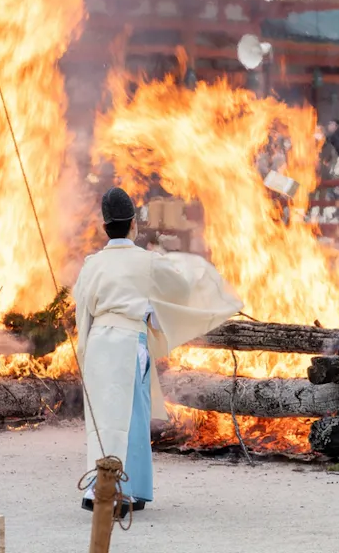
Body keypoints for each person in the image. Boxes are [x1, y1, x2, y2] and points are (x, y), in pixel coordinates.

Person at [73, 188, 242, 515]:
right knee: (132, 417)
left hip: (97, 343)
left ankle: (100, 488)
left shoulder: (92, 265)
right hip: (128, 342)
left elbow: (83, 309)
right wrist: (153, 305)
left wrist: (84, 349)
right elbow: (181, 287)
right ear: (133, 224)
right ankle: (125, 491)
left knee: (103, 417)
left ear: (104, 226)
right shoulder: (147, 261)